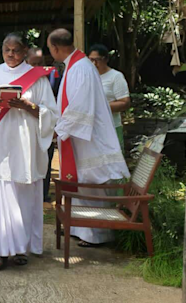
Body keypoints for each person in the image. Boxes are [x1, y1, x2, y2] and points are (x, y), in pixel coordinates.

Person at [0, 34, 59, 270]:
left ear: (25, 50)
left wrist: (29, 106)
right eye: (6, 50)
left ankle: (21, 248)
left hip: (25, 145)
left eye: (16, 50)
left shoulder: (38, 78)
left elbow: (52, 114)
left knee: (23, 196)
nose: (10, 54)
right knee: (0, 197)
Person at [47, 29, 130, 247]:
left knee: (91, 183)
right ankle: (81, 228)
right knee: (83, 183)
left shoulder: (81, 68)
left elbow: (80, 106)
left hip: (90, 139)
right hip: (82, 138)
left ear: (55, 48)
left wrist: (60, 129)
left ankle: (97, 234)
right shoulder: (75, 65)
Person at [27, 47, 63, 203]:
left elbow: (59, 100)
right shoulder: (19, 77)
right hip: (26, 126)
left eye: (39, 63)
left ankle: (43, 193)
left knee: (45, 158)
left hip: (46, 122)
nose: (36, 67)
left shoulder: (53, 76)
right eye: (32, 64)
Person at [88, 44, 131, 152]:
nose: (94, 63)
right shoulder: (86, 76)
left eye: (97, 60)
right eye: (91, 60)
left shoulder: (115, 76)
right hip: (90, 129)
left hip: (110, 127)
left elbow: (125, 103)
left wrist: (100, 106)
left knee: (113, 164)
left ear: (106, 59)